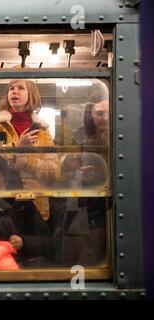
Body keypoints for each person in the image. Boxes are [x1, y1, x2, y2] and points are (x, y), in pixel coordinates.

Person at [0, 79, 61, 221]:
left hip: (36, 205)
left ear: (31, 94)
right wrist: (17, 149)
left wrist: (27, 162)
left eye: (20, 88)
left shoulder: (42, 130)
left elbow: (55, 172)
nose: (14, 91)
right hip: (1, 204)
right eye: (11, 88)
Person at [71, 90, 110, 266]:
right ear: (90, 115)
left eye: (108, 113)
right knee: (87, 251)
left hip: (108, 202)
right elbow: (69, 167)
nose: (105, 118)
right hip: (87, 203)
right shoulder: (80, 137)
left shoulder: (118, 134)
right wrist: (79, 172)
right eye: (99, 113)